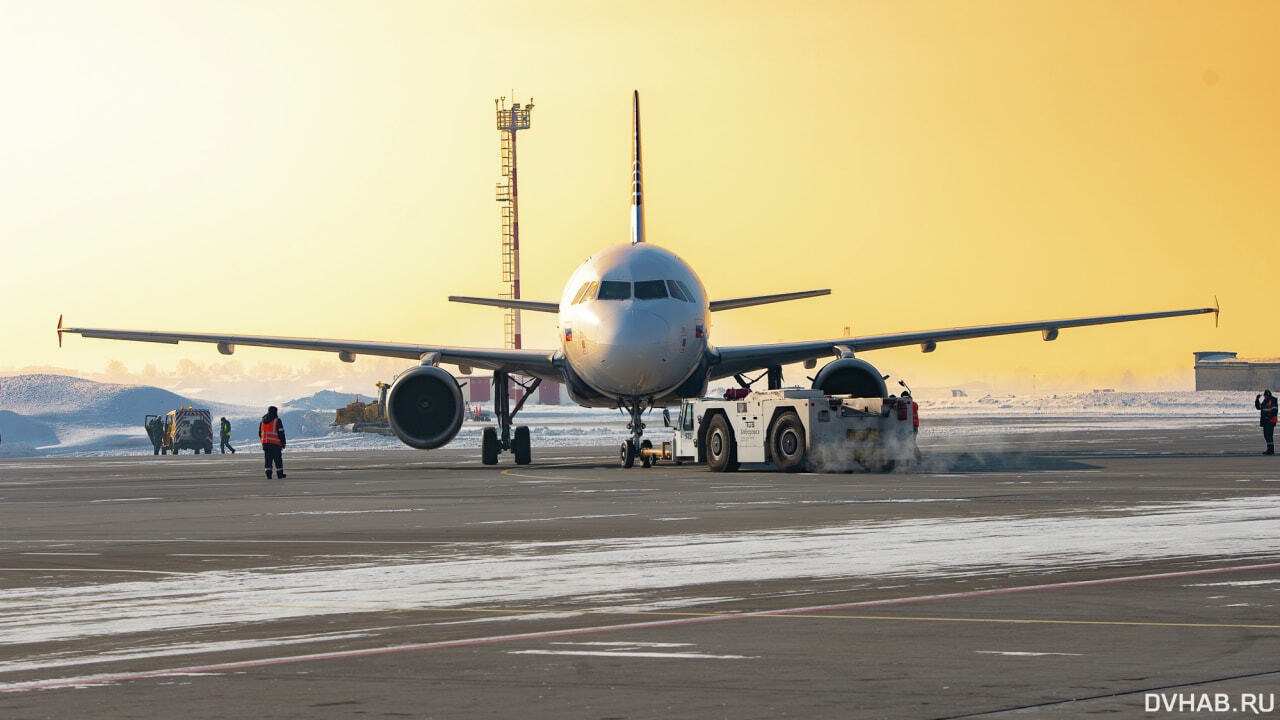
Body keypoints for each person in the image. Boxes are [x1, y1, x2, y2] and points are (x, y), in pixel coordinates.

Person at [258, 406, 287, 478]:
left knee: (268, 459)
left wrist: (264, 440)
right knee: (278, 459)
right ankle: (280, 474)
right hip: (275, 444)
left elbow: (260, 433)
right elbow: (281, 432)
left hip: (265, 443)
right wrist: (283, 443)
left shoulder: (262, 421)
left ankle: (268, 474)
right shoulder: (277, 420)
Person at [1256, 390, 1278, 455]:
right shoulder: (1265, 401)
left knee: (1269, 435)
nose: (1264, 397)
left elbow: (1274, 410)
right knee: (1266, 435)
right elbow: (1259, 407)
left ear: (1268, 395)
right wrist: (1257, 400)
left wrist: (1268, 417)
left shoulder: (1272, 401)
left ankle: (1271, 450)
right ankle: (1269, 449)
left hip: (1270, 421)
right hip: (1266, 421)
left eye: (1265, 395)